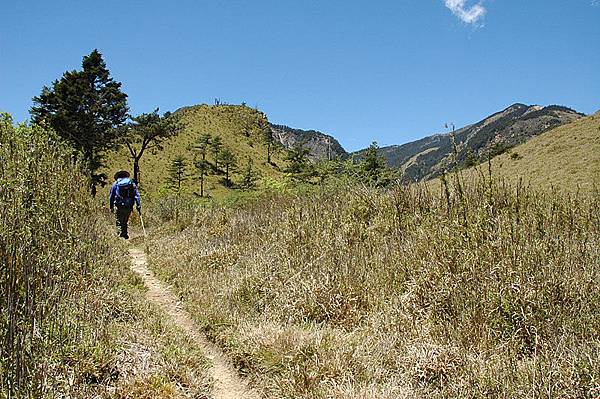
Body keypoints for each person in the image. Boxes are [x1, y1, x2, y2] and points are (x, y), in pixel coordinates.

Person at [109, 170, 141, 239]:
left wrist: (111, 206)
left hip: (119, 205)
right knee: (125, 220)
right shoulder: (131, 183)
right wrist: (138, 205)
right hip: (128, 206)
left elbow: (111, 196)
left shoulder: (115, 184)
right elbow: (137, 195)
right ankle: (125, 234)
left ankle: (120, 236)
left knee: (119, 221)